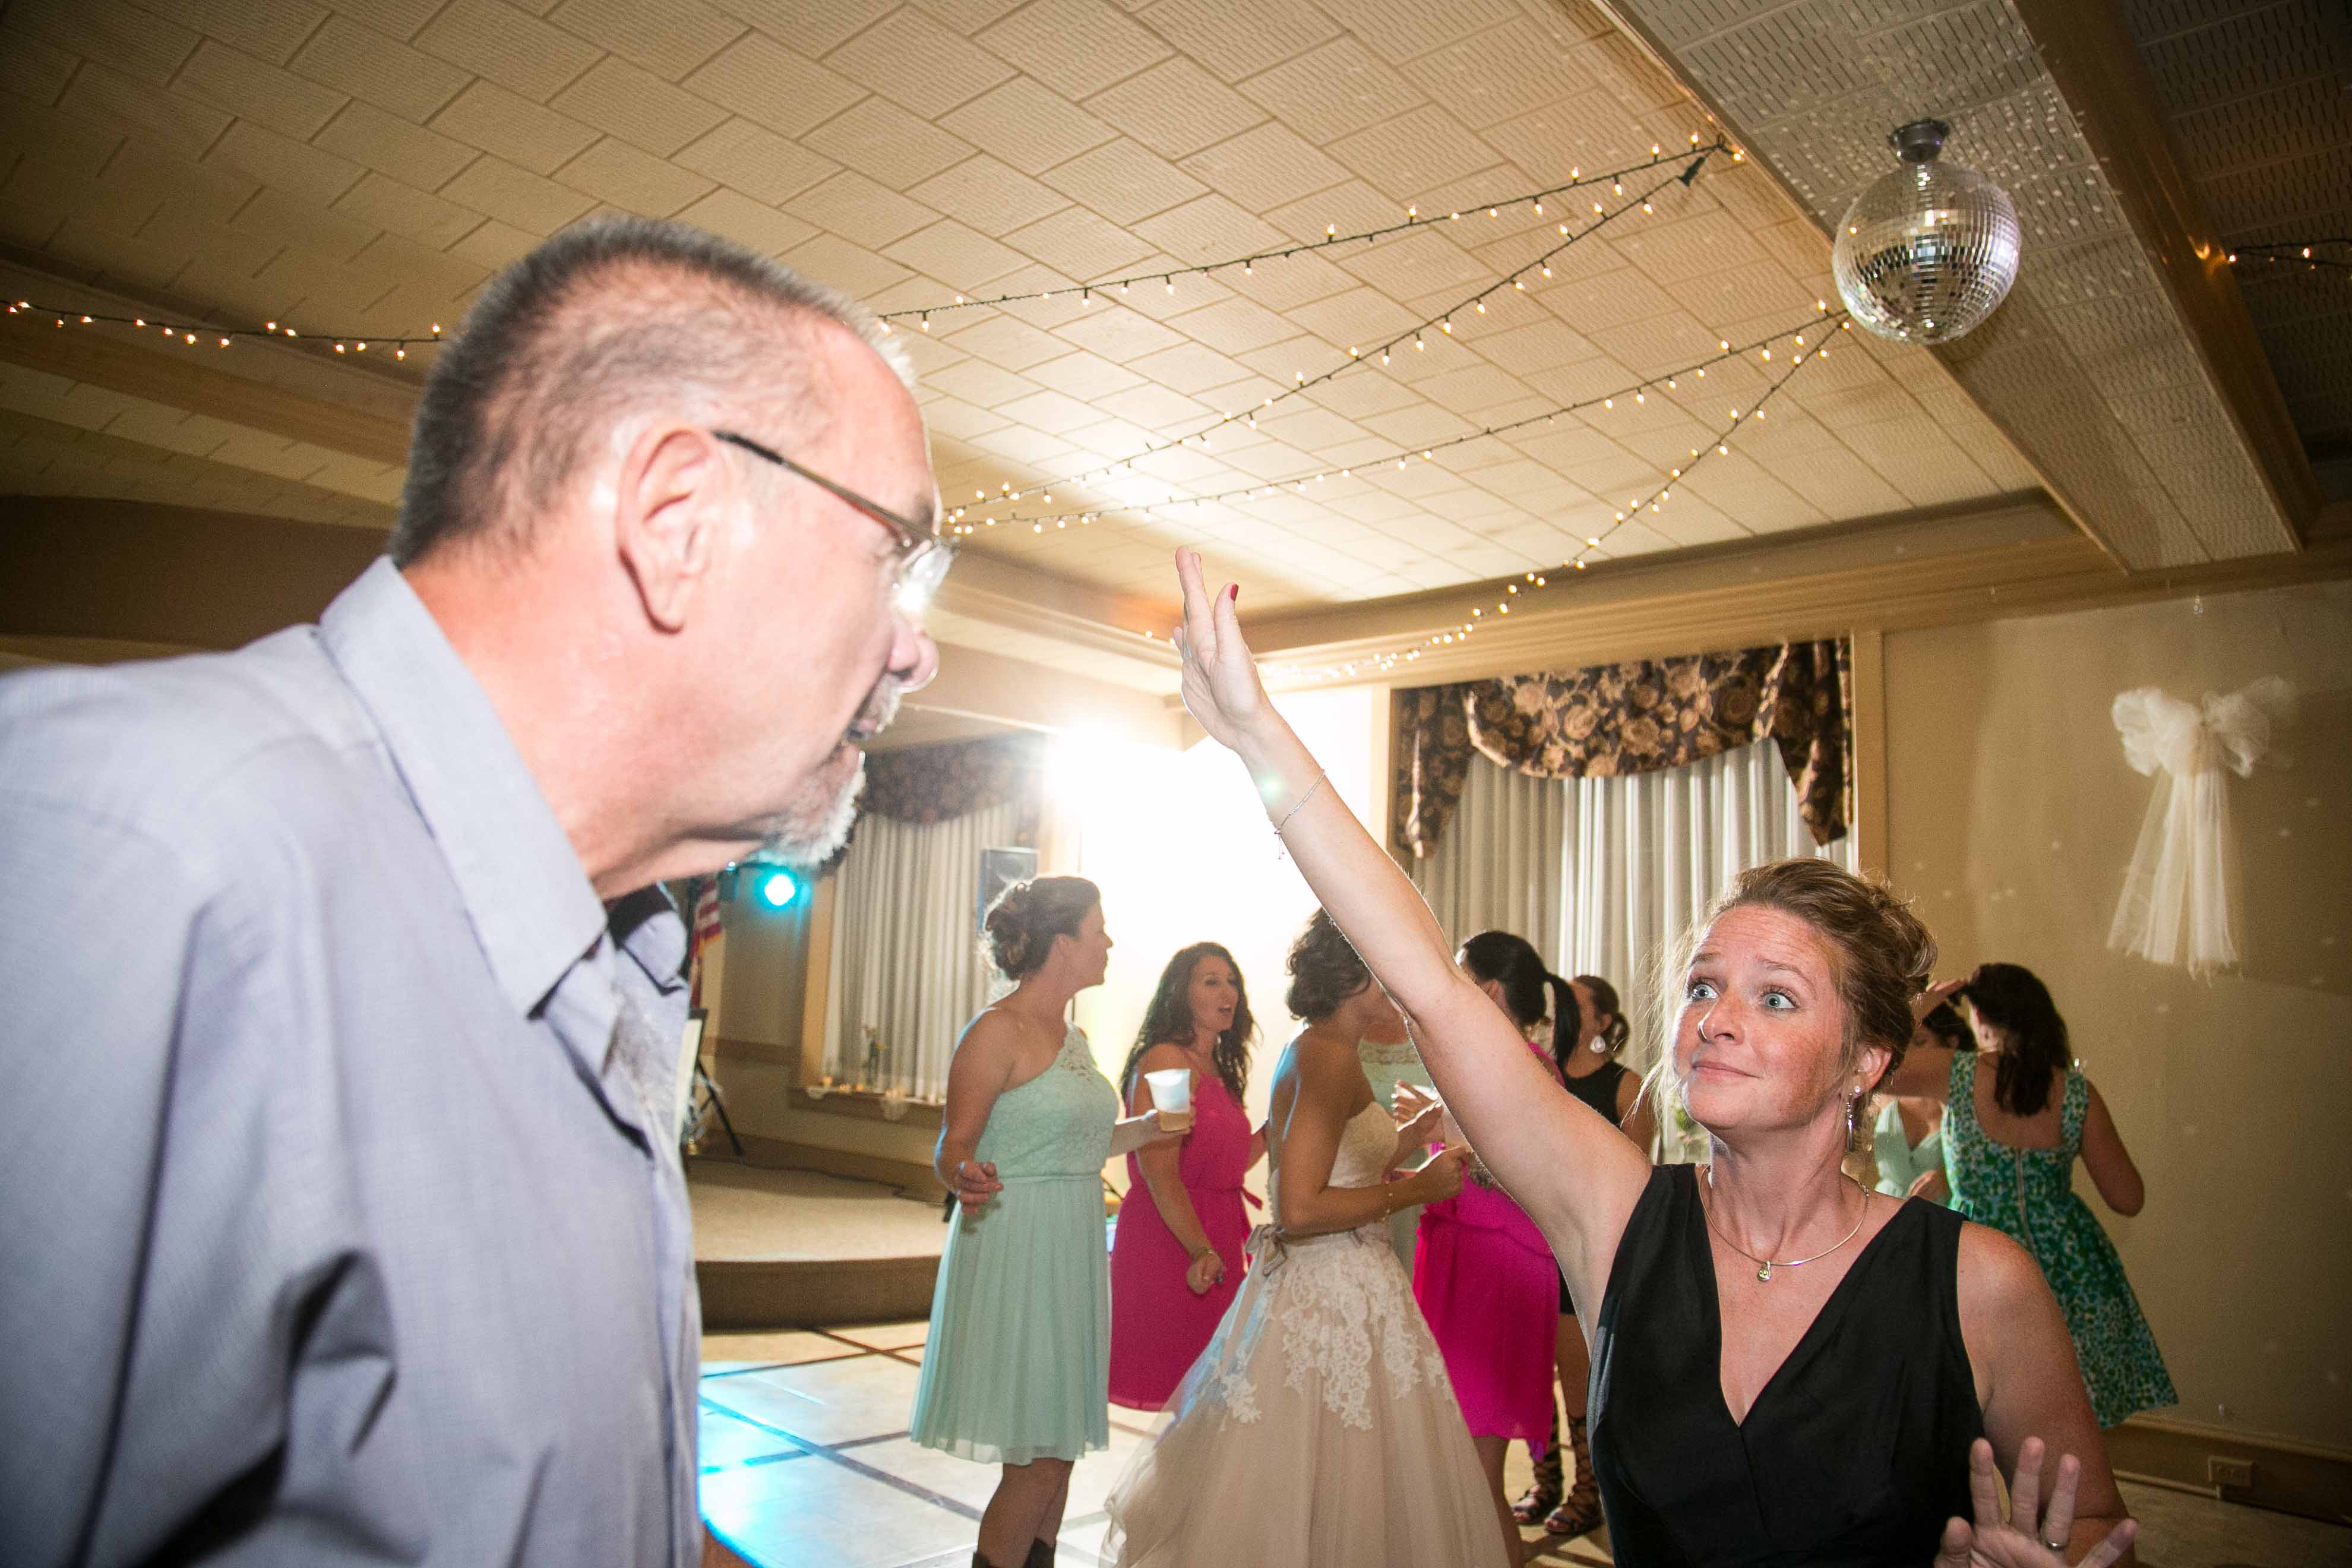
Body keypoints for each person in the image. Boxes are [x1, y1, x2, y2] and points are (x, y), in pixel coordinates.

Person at [0, 217, 946, 1566]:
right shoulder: (145, 856)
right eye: (896, 553)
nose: (915, 650)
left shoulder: (620, 948)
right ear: (676, 522)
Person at [1165, 549, 2139, 1568]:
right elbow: (1430, 986)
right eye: (1705, 987)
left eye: (1775, 998)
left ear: (1865, 1061)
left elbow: (2092, 1527)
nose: (1716, 1020)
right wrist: (1257, 735)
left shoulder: (1980, 1283)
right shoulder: (1621, 1216)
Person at [1102, 911, 1512, 1567]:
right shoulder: (1312, 1055)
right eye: (1386, 969)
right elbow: (1293, 1205)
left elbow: (1335, 1162)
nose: (1398, 985)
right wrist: (1416, 1190)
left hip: (1335, 1269)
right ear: (1353, 975)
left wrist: (1412, 1137)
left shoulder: (1326, 1049)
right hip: (1306, 1274)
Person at [914, 877, 1182, 1568]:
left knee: (1058, 1450)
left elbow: (1076, 1143)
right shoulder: (995, 1031)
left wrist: (1149, 1129)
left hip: (1072, 1244)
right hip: (1019, 1243)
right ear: (1064, 942)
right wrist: (963, 1174)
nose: (1109, 942)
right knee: (1037, 1459)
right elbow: (952, 1144)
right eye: (1099, 929)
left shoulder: (1075, 1037)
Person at [1888, 964, 2176, 1429]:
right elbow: (2129, 1198)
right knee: (2058, 1421)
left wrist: (1921, 1006)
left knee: (1972, 1409)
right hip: (2066, 1269)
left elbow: (1871, 1066)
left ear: (1980, 1017)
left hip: (1977, 1261)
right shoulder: (2076, 1093)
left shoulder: (1958, 1073)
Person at [1416, 930, 1580, 1561]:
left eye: (1460, 975)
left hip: (1492, 1265)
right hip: (1474, 1256)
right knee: (1463, 1471)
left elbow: (1522, 1173)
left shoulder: (1519, 1064)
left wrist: (1442, 1127)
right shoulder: (1499, 1060)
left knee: (1477, 1474)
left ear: (1487, 990)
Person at [1515, 970, 1651, 1538]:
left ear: (1602, 1021)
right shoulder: (1538, 1077)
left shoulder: (1626, 1086)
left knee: (1576, 1374)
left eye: (1574, 1004)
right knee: (1528, 1369)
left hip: (1587, 1245)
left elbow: (1637, 1181)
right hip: (1529, 1241)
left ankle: (1589, 1490)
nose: (1561, 1012)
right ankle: (1545, 1479)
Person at [1108, 943, 1266, 1411]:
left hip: (1217, 1230)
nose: (1228, 993)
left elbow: (1229, 1166)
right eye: (1211, 981)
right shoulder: (1167, 1061)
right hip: (1172, 1234)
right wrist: (1200, 1248)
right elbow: (1161, 1173)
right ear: (1181, 993)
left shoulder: (1218, 1068)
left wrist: (1279, 1125)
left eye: (1232, 982)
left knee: (1211, 1397)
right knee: (1186, 1391)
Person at [1869, 1001, 1971, 1206]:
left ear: (1951, 1043)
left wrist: (1949, 1178)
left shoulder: (1967, 1101)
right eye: (1904, 1044)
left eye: (1919, 1042)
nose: (1908, 1054)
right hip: (1883, 1215)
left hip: (1942, 1216)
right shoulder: (1886, 1093)